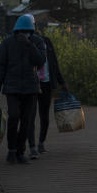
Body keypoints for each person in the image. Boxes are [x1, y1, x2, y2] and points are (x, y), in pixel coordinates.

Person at [0, 14, 45, 164]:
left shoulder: (37, 42)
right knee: (14, 116)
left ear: (32, 31)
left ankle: (21, 152)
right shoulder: (7, 43)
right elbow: (0, 67)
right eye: (21, 31)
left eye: (27, 30)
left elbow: (41, 61)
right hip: (12, 87)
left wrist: (29, 45)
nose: (24, 33)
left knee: (26, 121)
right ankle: (11, 150)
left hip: (31, 88)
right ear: (16, 30)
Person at [27, 20, 68, 159]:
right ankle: (32, 146)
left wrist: (62, 82)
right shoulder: (26, 42)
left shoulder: (47, 42)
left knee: (44, 115)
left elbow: (54, 63)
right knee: (30, 116)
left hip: (46, 84)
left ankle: (41, 142)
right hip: (31, 85)